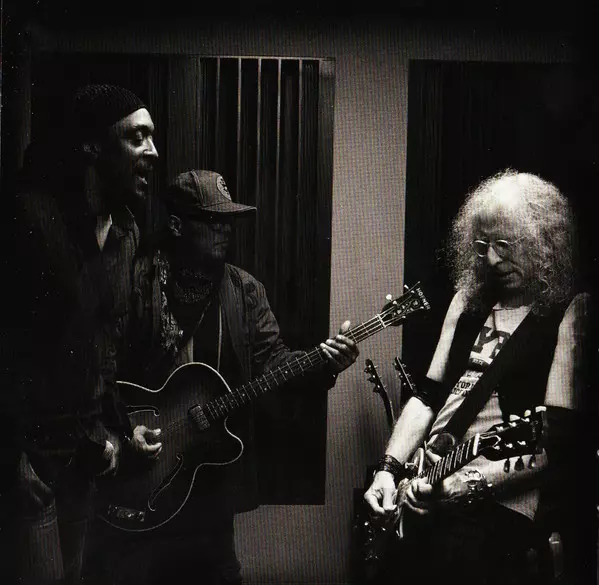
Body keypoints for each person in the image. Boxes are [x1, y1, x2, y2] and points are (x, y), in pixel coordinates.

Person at [88, 169, 360, 585]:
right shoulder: (136, 280)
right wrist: (123, 432)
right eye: (212, 220)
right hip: (140, 476)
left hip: (208, 486)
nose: (224, 230)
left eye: (228, 221)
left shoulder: (244, 290)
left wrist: (324, 363)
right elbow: (99, 369)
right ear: (177, 225)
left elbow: (273, 363)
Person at [364, 169, 595, 585]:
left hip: (500, 499)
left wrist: (466, 485)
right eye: (483, 246)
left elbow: (557, 436)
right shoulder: (467, 302)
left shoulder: (569, 310)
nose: (491, 259)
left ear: (543, 242)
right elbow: (427, 396)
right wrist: (388, 470)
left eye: (505, 246)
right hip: (429, 478)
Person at [1, 84, 161, 584]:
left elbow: (101, 349)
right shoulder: (29, 216)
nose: (153, 152)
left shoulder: (126, 234)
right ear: (94, 145)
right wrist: (10, 459)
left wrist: (120, 428)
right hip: (32, 468)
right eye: (137, 137)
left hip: (85, 463)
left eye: (152, 138)